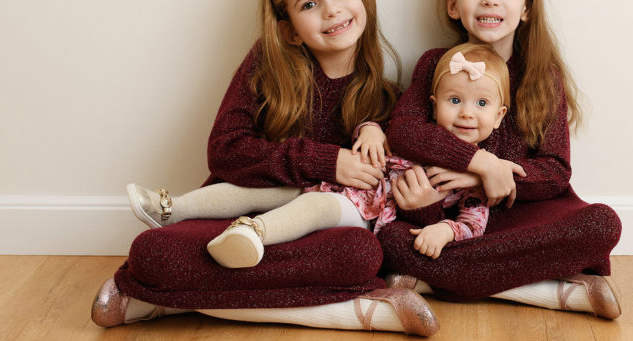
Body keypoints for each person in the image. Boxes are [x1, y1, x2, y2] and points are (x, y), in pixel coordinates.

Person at [91, 0, 439, 336]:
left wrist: (424, 206)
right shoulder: (267, 65)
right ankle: (354, 308)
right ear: (289, 29)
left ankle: (166, 302)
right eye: (309, 4)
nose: (332, 10)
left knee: (361, 253)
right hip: (243, 208)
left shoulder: (389, 97)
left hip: (319, 232)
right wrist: (327, 161)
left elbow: (392, 196)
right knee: (154, 252)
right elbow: (224, 153)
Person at [379, 0, 623, 319]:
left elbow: (556, 172)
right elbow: (405, 132)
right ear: (453, 4)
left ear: (526, 7)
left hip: (517, 216)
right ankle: (544, 289)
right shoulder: (434, 64)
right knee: (388, 240)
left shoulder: (543, 76)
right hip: (450, 217)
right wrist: (481, 163)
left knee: (603, 225)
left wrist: (486, 180)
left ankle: (438, 276)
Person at [205, 42, 510, 268]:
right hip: (342, 179)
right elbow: (387, 130)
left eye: (481, 104)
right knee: (264, 192)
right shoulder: (420, 134)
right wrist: (370, 129)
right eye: (455, 100)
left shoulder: (476, 178)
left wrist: (444, 229)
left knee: (314, 206)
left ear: (499, 116)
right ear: (434, 105)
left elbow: (473, 223)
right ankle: (169, 207)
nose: (466, 113)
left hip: (365, 210)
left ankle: (253, 233)